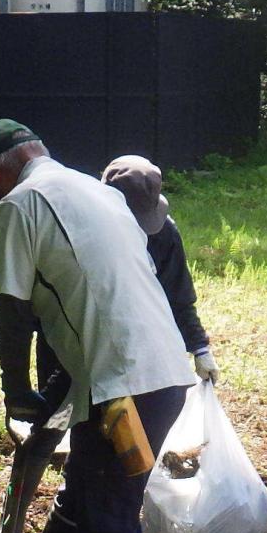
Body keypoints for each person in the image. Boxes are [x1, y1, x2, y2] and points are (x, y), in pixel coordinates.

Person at [0, 119, 203, 533]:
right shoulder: (98, 191)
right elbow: (101, 293)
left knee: (111, 527)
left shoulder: (19, 203)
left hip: (123, 385)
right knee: (84, 495)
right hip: (160, 373)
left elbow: (14, 307)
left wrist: (13, 386)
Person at [100, 155, 220, 384]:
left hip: (143, 343)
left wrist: (200, 348)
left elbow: (178, 295)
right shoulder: (82, 232)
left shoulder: (164, 234)